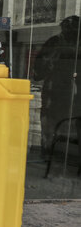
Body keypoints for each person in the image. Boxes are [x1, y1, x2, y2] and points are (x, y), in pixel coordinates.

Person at [33, 15, 81, 159]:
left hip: (65, 91)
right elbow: (38, 71)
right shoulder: (55, 43)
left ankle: (55, 152)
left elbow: (38, 72)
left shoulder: (56, 43)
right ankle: (51, 151)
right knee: (53, 121)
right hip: (56, 91)